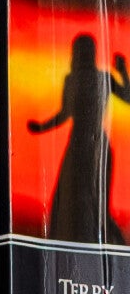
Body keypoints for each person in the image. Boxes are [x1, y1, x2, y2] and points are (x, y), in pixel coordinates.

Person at [28, 30, 130, 243]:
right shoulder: (75, 79)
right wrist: (41, 127)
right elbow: (65, 113)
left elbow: (127, 98)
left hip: (95, 146)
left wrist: (122, 72)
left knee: (96, 202)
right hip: (79, 146)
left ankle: (114, 247)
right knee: (71, 201)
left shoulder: (102, 77)